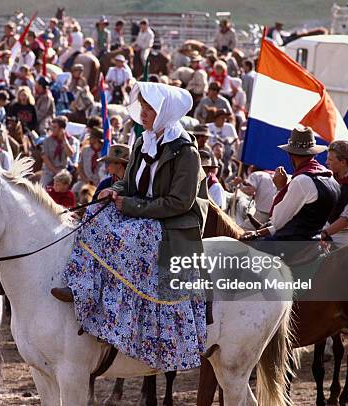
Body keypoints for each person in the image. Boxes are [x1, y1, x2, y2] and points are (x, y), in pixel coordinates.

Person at [51, 82, 208, 373]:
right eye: (143, 108)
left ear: (165, 111)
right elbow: (131, 182)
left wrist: (132, 207)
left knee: (126, 236)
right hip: (142, 211)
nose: (144, 114)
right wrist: (114, 190)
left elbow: (179, 202)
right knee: (94, 218)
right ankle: (84, 289)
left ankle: (118, 312)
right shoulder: (143, 141)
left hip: (171, 223)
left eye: (151, 109)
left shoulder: (186, 152)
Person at [242, 126, 340, 241]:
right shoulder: (331, 179)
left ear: (291, 154)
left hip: (292, 246)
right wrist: (258, 233)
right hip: (315, 242)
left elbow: (276, 221)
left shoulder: (302, 181)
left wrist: (280, 188)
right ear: (314, 153)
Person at [41, 116, 76, 186]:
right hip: (49, 171)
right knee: (43, 188)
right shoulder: (47, 140)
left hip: (63, 170)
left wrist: (64, 140)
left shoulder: (71, 140)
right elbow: (45, 158)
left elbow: (70, 154)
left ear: (62, 129)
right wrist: (55, 171)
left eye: (54, 127)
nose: (51, 129)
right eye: (51, 127)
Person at [73, 126, 104, 193]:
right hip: (85, 181)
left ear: (96, 139)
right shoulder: (85, 150)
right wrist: (85, 180)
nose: (89, 139)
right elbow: (80, 167)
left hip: (99, 183)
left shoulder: (105, 152)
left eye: (91, 137)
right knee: (74, 190)